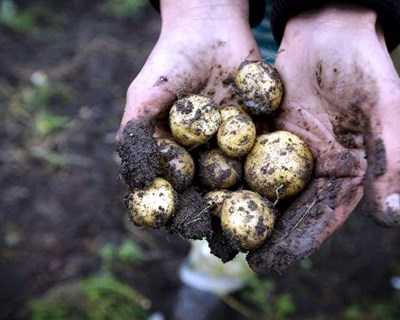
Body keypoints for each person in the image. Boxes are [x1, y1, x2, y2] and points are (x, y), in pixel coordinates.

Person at [118, 0, 400, 274]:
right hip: (231, 38)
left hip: (307, 49)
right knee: (210, 225)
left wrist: (340, 12)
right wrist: (201, 10)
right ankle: (210, 269)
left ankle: (218, 271)